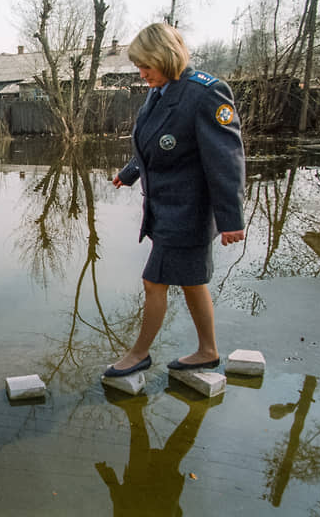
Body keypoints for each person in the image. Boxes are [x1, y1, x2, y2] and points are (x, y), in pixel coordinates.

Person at [104, 23, 245, 378]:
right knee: (192, 282)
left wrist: (231, 220)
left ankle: (139, 354)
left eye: (146, 65)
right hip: (165, 208)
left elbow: (226, 160)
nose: (142, 73)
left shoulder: (206, 94)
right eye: (139, 66)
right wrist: (130, 172)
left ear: (165, 56)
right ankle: (208, 351)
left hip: (188, 213)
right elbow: (155, 142)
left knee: (154, 282)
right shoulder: (161, 90)